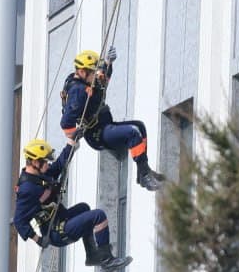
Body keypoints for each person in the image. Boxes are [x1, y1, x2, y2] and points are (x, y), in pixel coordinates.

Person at [13, 138, 131, 272]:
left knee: (84, 208)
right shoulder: (27, 189)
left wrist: (71, 143)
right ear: (34, 162)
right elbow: (19, 220)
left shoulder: (39, 176)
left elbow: (58, 166)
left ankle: (92, 255)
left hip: (61, 219)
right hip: (57, 231)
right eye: (44, 161)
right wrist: (38, 240)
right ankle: (107, 261)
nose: (47, 164)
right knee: (99, 215)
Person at [60, 47, 167, 192]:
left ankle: (143, 171)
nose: (96, 75)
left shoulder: (83, 81)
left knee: (139, 126)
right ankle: (145, 177)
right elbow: (66, 123)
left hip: (104, 125)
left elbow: (102, 82)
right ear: (83, 72)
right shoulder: (78, 91)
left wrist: (108, 63)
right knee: (133, 133)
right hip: (98, 133)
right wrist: (75, 136)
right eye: (93, 72)